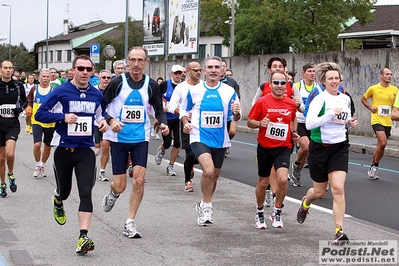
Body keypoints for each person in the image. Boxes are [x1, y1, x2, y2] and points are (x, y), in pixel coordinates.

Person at [35, 55, 108, 254]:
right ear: (73, 70)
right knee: (65, 192)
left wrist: (103, 124)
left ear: (92, 72)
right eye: (81, 68)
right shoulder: (61, 91)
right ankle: (57, 200)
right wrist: (63, 117)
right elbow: (39, 114)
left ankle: (83, 236)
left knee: (86, 192)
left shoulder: (96, 95)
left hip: (85, 151)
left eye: (88, 69)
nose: (84, 72)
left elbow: (100, 116)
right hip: (63, 151)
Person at [101, 46, 168, 238]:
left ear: (146, 63)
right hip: (119, 138)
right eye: (133, 60)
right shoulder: (117, 83)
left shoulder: (151, 85)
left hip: (140, 138)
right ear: (127, 61)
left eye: (140, 60)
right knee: (120, 185)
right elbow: (101, 107)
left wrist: (163, 124)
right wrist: (111, 120)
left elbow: (159, 109)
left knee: (138, 180)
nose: (136, 64)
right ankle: (113, 194)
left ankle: (129, 222)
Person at [296, 62, 358, 243]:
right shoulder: (320, 99)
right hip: (320, 149)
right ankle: (306, 203)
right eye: (330, 78)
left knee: (338, 188)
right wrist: (329, 115)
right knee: (319, 192)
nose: (334, 81)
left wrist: (350, 123)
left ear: (340, 80)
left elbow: (344, 120)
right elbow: (309, 124)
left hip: (339, 147)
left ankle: (339, 231)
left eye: (336, 78)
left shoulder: (344, 99)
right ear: (324, 81)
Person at [180, 56, 241, 226]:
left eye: (217, 67)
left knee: (214, 176)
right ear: (204, 71)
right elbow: (184, 109)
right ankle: (207, 207)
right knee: (208, 171)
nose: (213, 70)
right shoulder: (194, 90)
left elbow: (236, 115)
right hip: (199, 137)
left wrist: (236, 114)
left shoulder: (229, 91)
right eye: (210, 67)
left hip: (220, 140)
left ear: (222, 71)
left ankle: (203, 202)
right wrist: (186, 123)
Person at [247, 71, 299, 229]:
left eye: (283, 83)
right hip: (265, 146)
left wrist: (294, 133)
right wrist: (260, 124)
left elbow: (292, 119)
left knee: (283, 179)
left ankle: (277, 211)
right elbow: (250, 122)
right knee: (263, 184)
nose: (279, 86)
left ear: (287, 86)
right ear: (270, 84)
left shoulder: (290, 103)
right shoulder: (262, 102)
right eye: (276, 83)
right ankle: (260, 211)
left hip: (283, 146)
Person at [169, 61, 202, 192]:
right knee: (190, 153)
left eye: (200, 70)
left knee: (205, 155)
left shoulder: (205, 86)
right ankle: (188, 180)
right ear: (188, 72)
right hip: (187, 124)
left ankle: (191, 164)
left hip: (203, 126)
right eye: (195, 70)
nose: (198, 72)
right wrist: (183, 113)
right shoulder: (181, 88)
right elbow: (171, 106)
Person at [361, 68, 398, 180]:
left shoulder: (395, 90)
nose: (389, 76)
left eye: (391, 74)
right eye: (387, 74)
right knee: (383, 143)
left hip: (388, 121)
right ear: (381, 76)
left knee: (380, 146)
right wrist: (370, 107)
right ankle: (375, 166)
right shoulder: (374, 88)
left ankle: (372, 166)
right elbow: (363, 99)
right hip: (376, 119)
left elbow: (396, 107)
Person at [0, 60, 28, 198]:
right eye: (5, 68)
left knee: (10, 154)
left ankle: (10, 174)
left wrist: (19, 109)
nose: (8, 70)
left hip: (12, 123)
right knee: (1, 158)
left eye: (10, 68)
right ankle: (3, 184)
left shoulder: (18, 85)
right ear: (1, 70)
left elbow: (25, 101)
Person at [154, 65, 183, 176]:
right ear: (171, 73)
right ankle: (162, 150)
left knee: (177, 143)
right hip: (166, 118)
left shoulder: (183, 86)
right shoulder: (164, 85)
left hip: (178, 118)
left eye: (179, 73)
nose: (177, 75)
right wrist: (161, 109)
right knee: (167, 143)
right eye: (175, 73)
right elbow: (156, 99)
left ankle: (171, 166)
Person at [290, 63, 316, 187]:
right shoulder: (297, 86)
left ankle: (296, 170)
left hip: (313, 122)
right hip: (299, 121)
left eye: (314, 71)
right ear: (303, 74)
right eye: (309, 71)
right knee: (305, 147)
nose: (312, 73)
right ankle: (296, 166)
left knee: (309, 152)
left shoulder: (318, 88)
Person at [27, 69, 55, 178]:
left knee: (47, 147)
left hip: (50, 122)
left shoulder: (53, 90)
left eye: (47, 76)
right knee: (37, 144)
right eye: (43, 76)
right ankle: (37, 164)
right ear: (39, 78)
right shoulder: (35, 89)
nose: (45, 78)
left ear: (51, 78)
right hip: (37, 121)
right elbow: (29, 100)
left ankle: (42, 165)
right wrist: (29, 107)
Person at [220, 59, 240, 156]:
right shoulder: (211, 81)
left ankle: (226, 143)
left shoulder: (232, 82)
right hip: (218, 114)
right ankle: (222, 146)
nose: (222, 68)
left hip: (230, 113)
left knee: (231, 131)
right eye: (221, 66)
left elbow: (237, 97)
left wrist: (236, 110)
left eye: (224, 66)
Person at [95, 70, 112, 182]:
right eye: (104, 77)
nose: (106, 79)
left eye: (108, 77)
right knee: (96, 149)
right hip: (96, 122)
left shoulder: (113, 90)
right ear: (99, 79)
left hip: (108, 121)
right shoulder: (94, 90)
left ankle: (102, 171)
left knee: (105, 146)